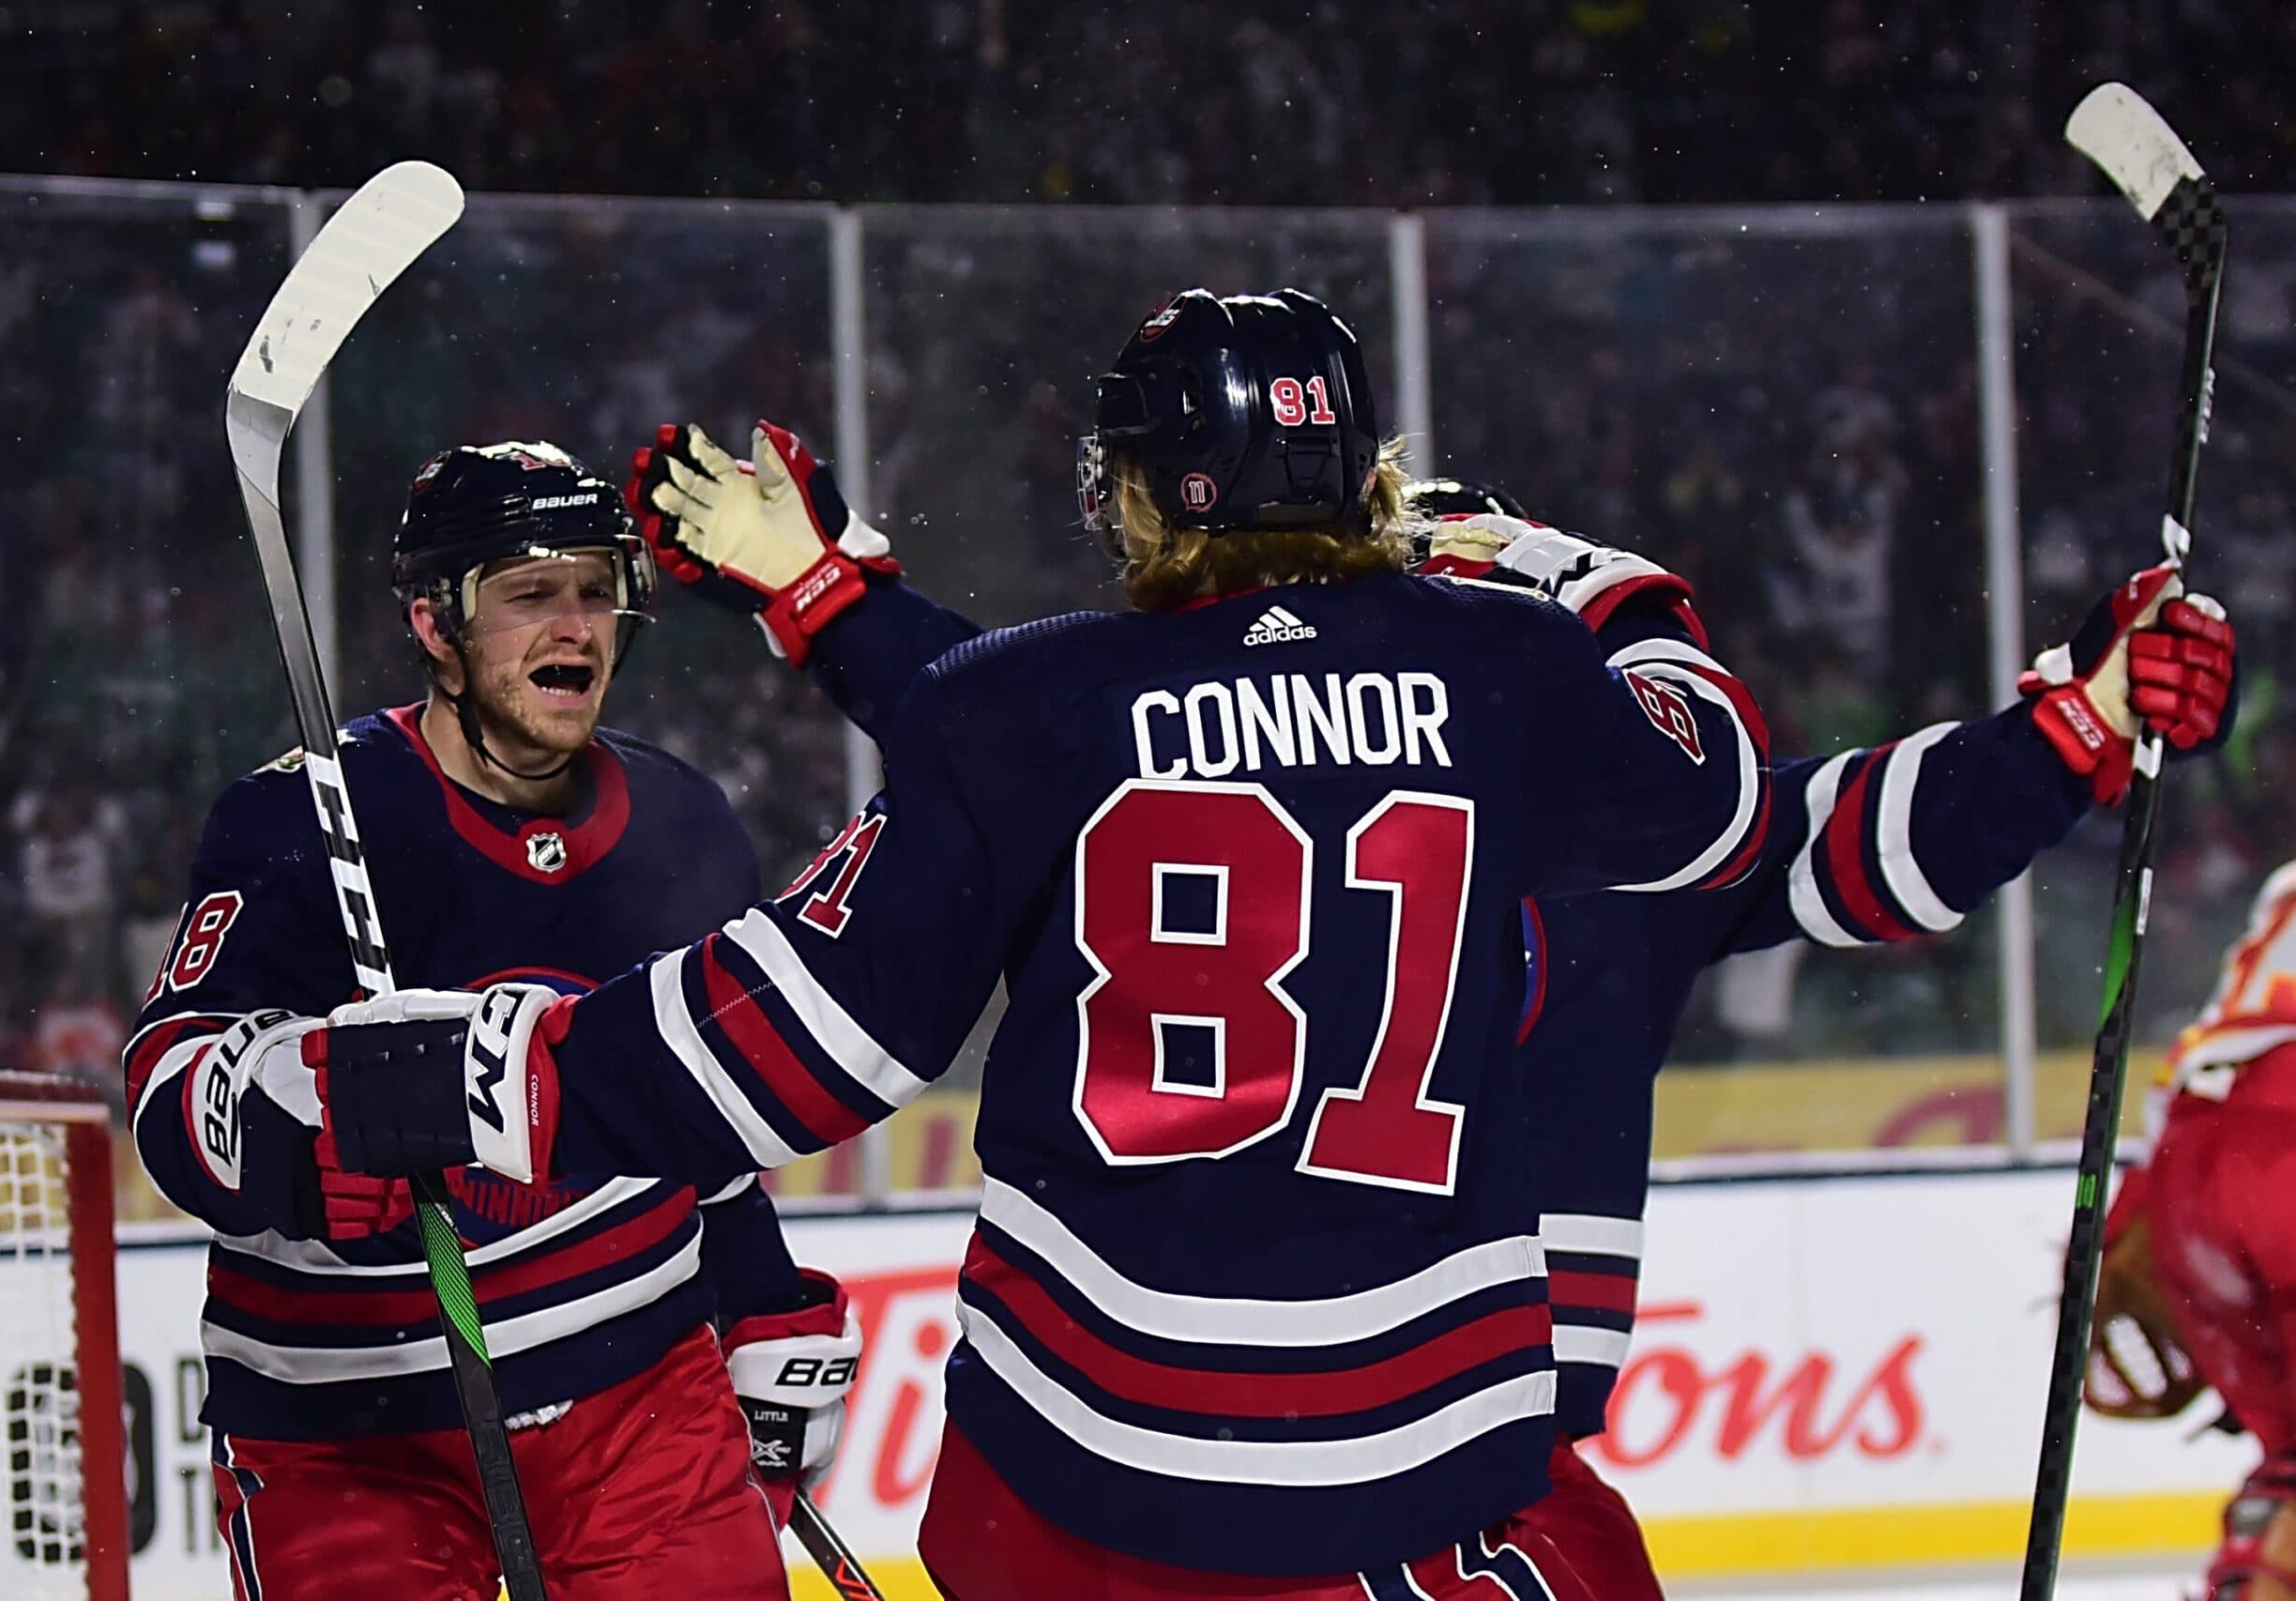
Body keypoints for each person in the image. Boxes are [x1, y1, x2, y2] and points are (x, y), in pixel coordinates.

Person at [295, 287, 1775, 1598]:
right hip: (1421, 1455)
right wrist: (1595, 582)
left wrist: (491, 1074)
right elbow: (1709, 795)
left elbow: (812, 1028)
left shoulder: (1026, 705)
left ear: (1160, 488)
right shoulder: (1508, 666)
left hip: (1079, 1480)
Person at [648, 436, 2240, 1599]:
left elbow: (1004, 725)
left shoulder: (1616, 840)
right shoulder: (1642, 837)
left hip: (1216, 1482)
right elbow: (1881, 839)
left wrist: (825, 587)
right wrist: (2081, 717)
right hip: (1427, 1485)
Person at [1412, 484, 2238, 1593]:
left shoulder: (1614, 859)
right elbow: (1853, 835)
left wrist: (2082, 715)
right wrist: (1572, 571)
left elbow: (1863, 831)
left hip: (1190, 1471)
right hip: (1467, 1504)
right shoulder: (1622, 855)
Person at [121, 441, 863, 1601]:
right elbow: (169, 1088)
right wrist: (302, 1102)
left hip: (641, 1400)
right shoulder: (304, 815)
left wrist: (759, 1293)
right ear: (435, 625)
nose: (573, 626)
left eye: (593, 588)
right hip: (352, 1436)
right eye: (527, 594)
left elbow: (693, 1114)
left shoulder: (683, 821)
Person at [2087, 862, 2296, 1601]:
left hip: (2184, 1173)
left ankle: (2250, 1569)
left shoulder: (2283, 889)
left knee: (2290, 1456)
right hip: (2281, 1153)